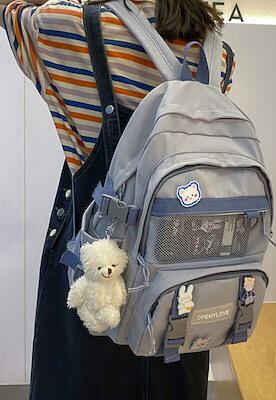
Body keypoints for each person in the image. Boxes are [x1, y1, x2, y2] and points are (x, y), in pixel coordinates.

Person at [0, 0, 236, 399]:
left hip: (99, 280)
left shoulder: (68, 26)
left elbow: (10, 10)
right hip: (183, 285)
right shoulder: (216, 54)